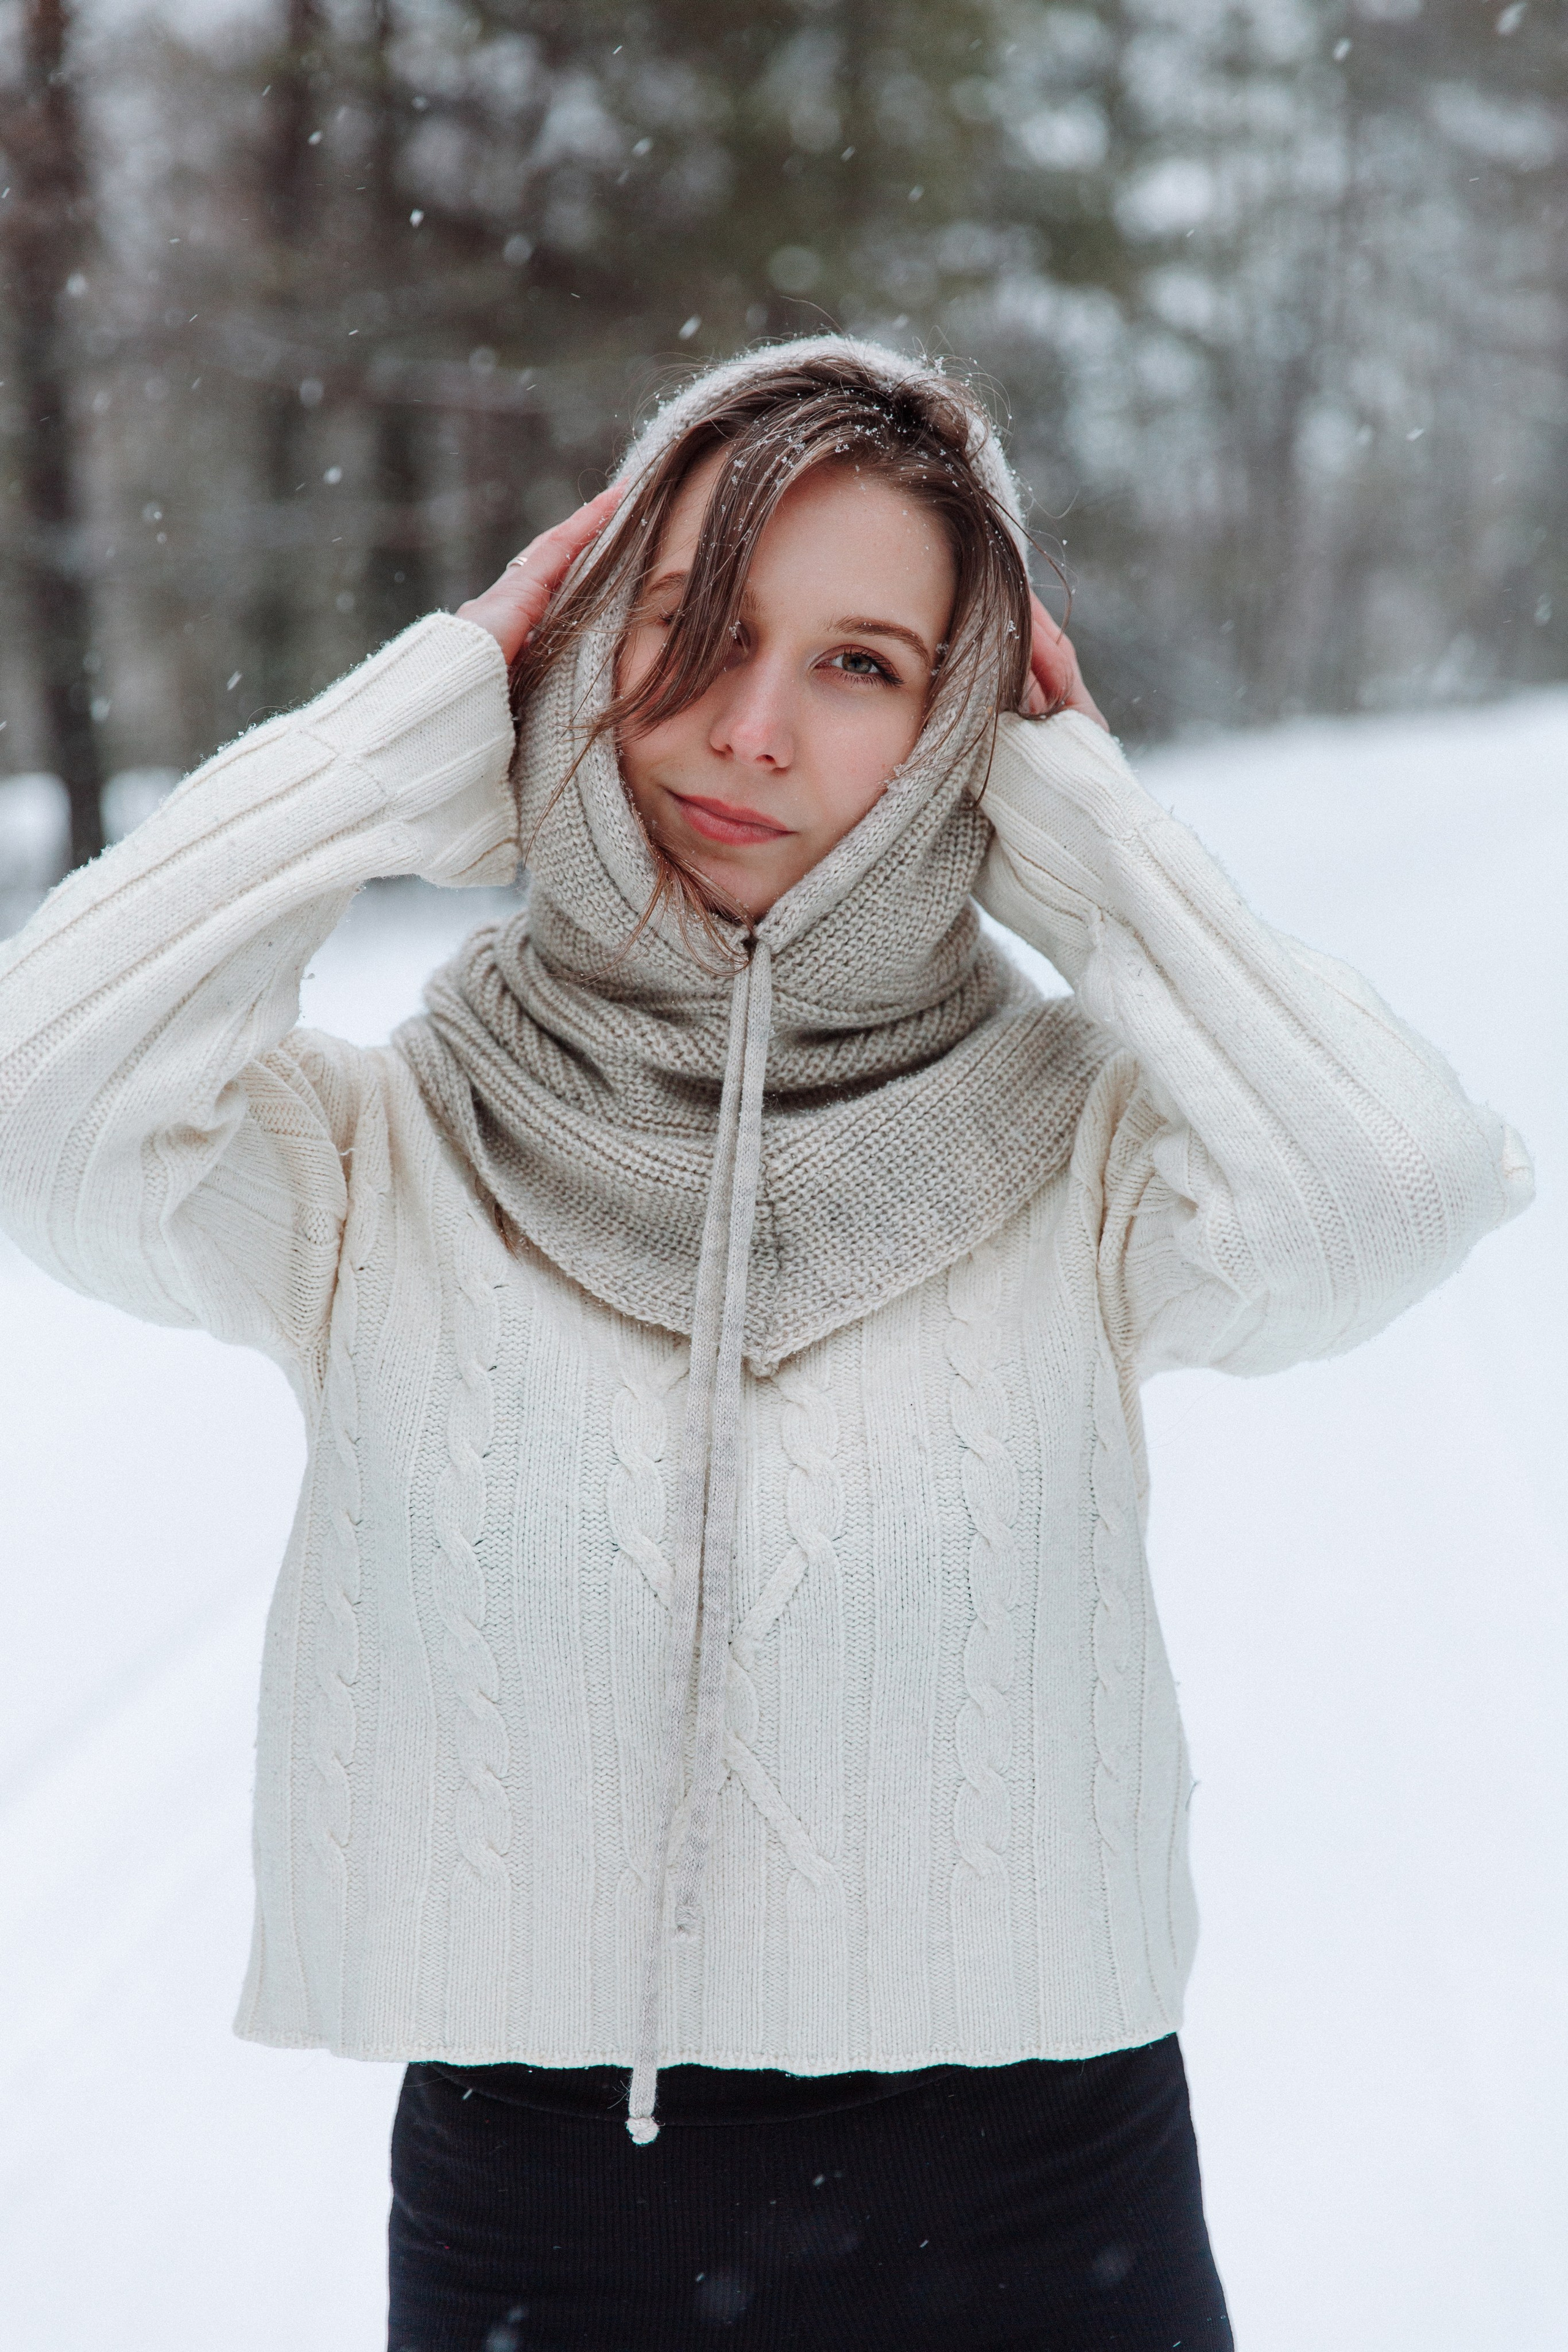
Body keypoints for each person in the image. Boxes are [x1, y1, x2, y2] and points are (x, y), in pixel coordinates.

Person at [0, 339, 1531, 2351]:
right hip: (545, 2213)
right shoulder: (384, 1153)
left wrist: (1083, 837)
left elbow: (1394, 1190)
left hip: (1042, 2191)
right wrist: (416, 727)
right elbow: (48, 1090)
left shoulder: (1082, 1149)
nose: (750, 730)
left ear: (966, 724)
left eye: (868, 667)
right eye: (689, 629)